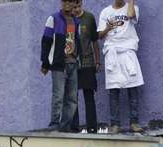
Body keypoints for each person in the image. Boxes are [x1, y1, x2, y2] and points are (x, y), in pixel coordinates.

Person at [98, 0, 143, 134]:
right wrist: (108, 28)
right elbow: (100, 35)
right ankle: (115, 124)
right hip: (112, 53)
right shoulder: (106, 12)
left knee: (132, 87)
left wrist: (131, 1)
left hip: (128, 51)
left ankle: (134, 122)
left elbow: (130, 15)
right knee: (114, 89)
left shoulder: (132, 8)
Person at [41, 0, 80, 132]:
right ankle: (54, 124)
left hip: (73, 64)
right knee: (58, 96)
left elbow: (77, 40)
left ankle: (64, 127)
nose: (67, 3)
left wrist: (77, 57)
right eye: (64, 1)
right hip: (59, 64)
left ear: (74, 3)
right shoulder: (53, 18)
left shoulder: (76, 21)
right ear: (61, 2)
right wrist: (45, 63)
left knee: (72, 98)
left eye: (70, 1)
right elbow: (46, 41)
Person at [71, 0, 100, 133]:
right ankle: (74, 128)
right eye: (73, 7)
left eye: (78, 6)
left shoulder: (89, 18)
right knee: (73, 97)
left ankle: (92, 128)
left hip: (88, 62)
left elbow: (95, 40)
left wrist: (98, 61)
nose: (76, 9)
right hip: (71, 64)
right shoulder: (67, 19)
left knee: (89, 97)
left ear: (81, 3)